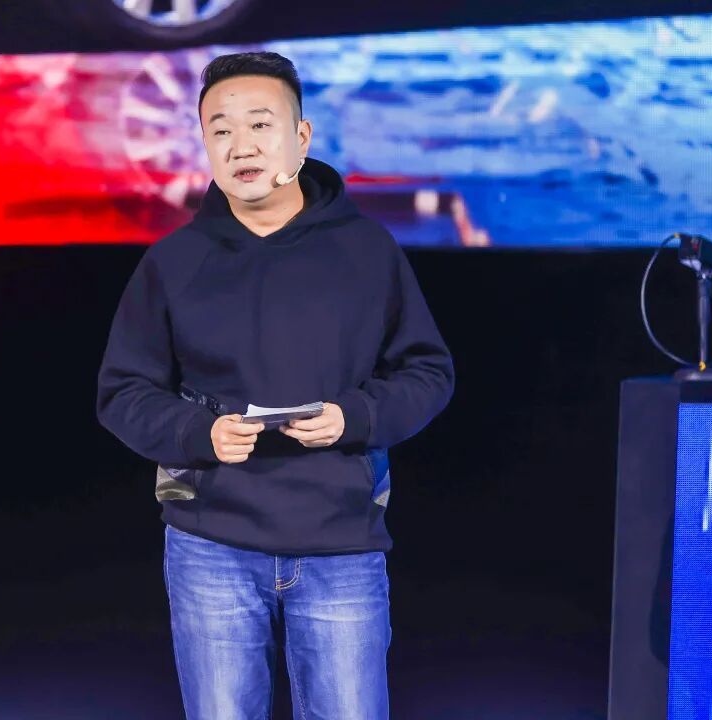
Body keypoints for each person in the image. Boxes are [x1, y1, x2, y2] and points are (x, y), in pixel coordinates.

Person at [97, 51, 454, 720]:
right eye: (221, 130)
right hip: (211, 542)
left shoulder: (366, 251)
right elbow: (123, 392)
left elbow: (428, 373)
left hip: (341, 540)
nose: (241, 146)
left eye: (260, 124)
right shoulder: (174, 261)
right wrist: (198, 433)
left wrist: (354, 417)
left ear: (301, 136)